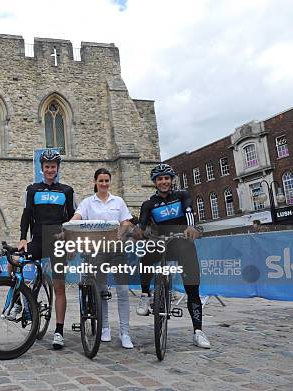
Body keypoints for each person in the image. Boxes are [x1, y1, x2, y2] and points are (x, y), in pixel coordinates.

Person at [133, 163, 211, 349]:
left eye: (166, 178)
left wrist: (190, 227)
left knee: (192, 288)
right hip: (161, 242)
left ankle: (198, 331)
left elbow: (189, 212)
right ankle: (145, 294)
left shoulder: (181, 195)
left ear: (171, 180)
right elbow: (142, 224)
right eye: (160, 179)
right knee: (146, 253)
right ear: (154, 182)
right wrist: (138, 232)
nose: (164, 182)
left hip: (182, 242)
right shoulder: (149, 204)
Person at [18, 148, 75, 349]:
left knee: (59, 287)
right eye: (47, 167)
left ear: (58, 168)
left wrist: (70, 241)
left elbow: (70, 219)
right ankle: (18, 298)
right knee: (14, 260)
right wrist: (22, 239)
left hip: (58, 242)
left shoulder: (66, 191)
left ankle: (58, 332)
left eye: (53, 167)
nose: (50, 170)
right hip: (38, 240)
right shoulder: (33, 189)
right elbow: (26, 214)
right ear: (41, 169)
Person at [70, 168, 134, 349]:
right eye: (101, 181)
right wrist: (69, 226)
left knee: (122, 289)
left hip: (117, 249)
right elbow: (78, 217)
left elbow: (126, 221)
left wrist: (121, 233)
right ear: (95, 182)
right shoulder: (88, 202)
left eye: (107, 181)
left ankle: (125, 332)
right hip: (98, 250)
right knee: (101, 290)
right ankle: (104, 327)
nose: (104, 184)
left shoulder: (118, 201)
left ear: (109, 182)